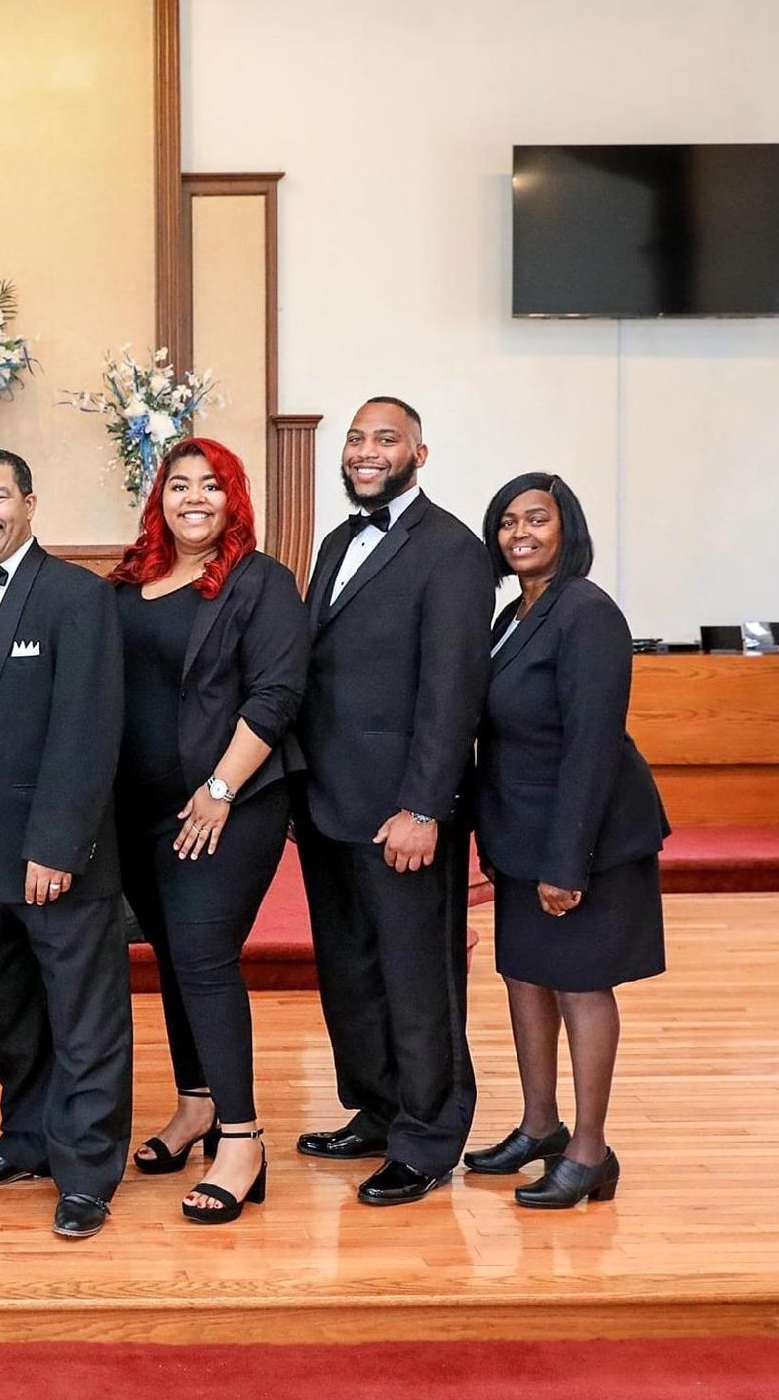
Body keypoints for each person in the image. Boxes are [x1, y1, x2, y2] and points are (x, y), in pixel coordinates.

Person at [293, 397, 493, 1207]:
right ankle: (376, 1108)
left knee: (419, 978)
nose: (365, 452)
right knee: (351, 973)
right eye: (355, 439)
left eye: (385, 440)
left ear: (420, 452)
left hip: (402, 813)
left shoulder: (452, 550)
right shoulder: (338, 540)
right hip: (329, 805)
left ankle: (429, 1136)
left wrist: (425, 806)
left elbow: (452, 693)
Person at [0, 449, 132, 1240]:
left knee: (85, 1021)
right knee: (12, 1016)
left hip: (54, 857)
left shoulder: (77, 598)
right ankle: (25, 1141)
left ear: (30, 502)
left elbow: (86, 732)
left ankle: (85, 1173)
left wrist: (56, 846)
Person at [110, 438, 308, 1226]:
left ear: (235, 498)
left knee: (204, 957)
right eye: (179, 484)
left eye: (211, 485)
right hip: (140, 812)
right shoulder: (129, 585)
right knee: (171, 958)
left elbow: (276, 693)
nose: (194, 497)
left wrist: (221, 788)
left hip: (230, 805)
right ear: (159, 497)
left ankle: (242, 1135)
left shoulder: (261, 583)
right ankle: (195, 1104)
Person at [464, 473, 667, 1208]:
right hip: (521, 832)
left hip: (581, 835)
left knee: (580, 983)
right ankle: (540, 1125)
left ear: (566, 527)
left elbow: (591, 745)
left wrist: (565, 862)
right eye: (508, 522)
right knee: (524, 975)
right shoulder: (513, 615)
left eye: (536, 520)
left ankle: (590, 1149)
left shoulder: (586, 612)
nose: (520, 534)